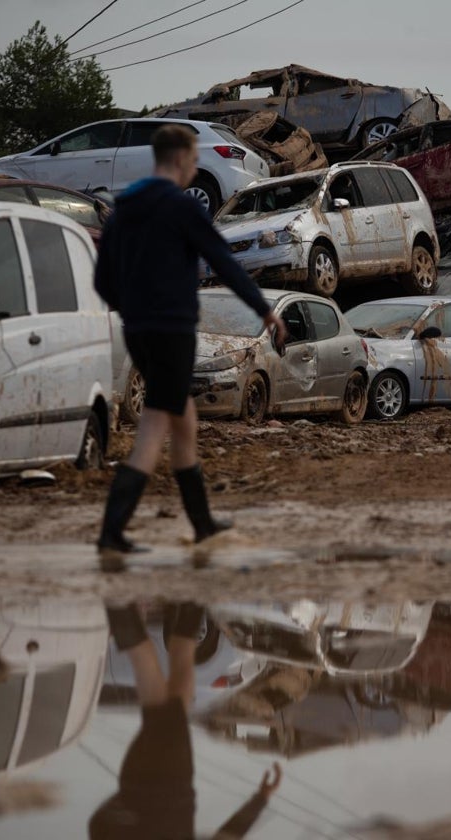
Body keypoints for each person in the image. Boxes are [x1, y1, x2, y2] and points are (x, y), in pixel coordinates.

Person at [94, 125, 287, 557]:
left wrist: (133, 308)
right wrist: (265, 309)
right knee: (154, 429)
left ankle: (202, 525)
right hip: (173, 331)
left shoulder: (123, 211)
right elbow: (225, 263)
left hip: (138, 330)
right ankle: (111, 532)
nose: (195, 168)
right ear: (181, 160)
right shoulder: (182, 209)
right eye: (194, 160)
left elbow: (102, 280)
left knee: (184, 423)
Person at [90, 604, 282, 839]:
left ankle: (128, 599)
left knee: (167, 674)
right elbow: (98, 827)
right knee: (168, 689)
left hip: (170, 784)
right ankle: (136, 599)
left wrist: (260, 800)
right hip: (137, 784)